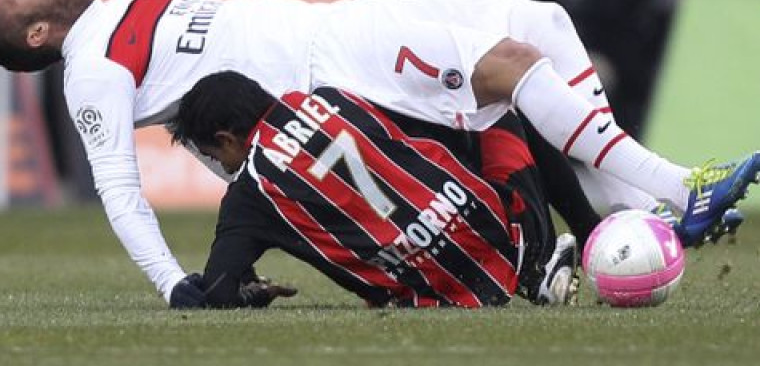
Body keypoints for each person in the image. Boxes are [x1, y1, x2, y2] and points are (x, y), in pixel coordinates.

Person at [0, 0, 758, 305]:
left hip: (343, 22)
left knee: (542, 22)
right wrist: (176, 285)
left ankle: (638, 215)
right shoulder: (90, 70)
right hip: (337, 69)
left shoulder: (116, 10)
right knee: (515, 70)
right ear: (36, 35)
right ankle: (676, 187)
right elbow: (117, 188)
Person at [169, 70, 578, 308]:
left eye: (214, 156)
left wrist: (253, 294)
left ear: (225, 139)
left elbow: (218, 289)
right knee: (499, 106)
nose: (221, 166)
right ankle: (541, 261)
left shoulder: (250, 192)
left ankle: (536, 268)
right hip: (495, 229)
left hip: (435, 293)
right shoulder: (333, 96)